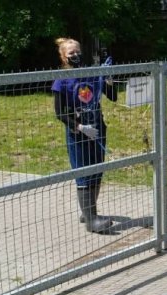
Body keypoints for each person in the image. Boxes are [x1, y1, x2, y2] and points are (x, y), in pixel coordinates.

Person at [52, 37, 117, 233]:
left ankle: (88, 212)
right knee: (83, 173)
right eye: (71, 53)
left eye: (78, 51)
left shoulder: (92, 73)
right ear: (64, 57)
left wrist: (108, 79)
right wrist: (79, 127)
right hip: (78, 133)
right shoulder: (61, 80)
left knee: (97, 170)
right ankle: (92, 221)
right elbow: (59, 113)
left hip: (97, 130)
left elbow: (113, 97)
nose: (76, 55)